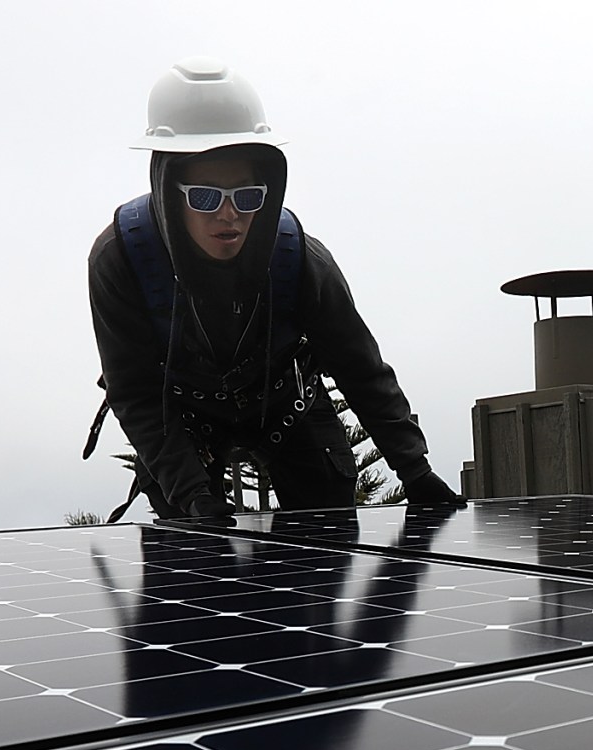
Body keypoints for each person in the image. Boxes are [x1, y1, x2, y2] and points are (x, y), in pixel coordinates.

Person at [87, 58, 463, 523]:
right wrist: (194, 497)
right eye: (205, 197)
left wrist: (414, 469)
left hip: (288, 404)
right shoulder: (119, 259)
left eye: (248, 197)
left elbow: (359, 368)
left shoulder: (299, 257)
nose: (229, 216)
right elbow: (136, 392)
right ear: (167, 188)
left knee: (328, 548)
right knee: (195, 561)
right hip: (180, 419)